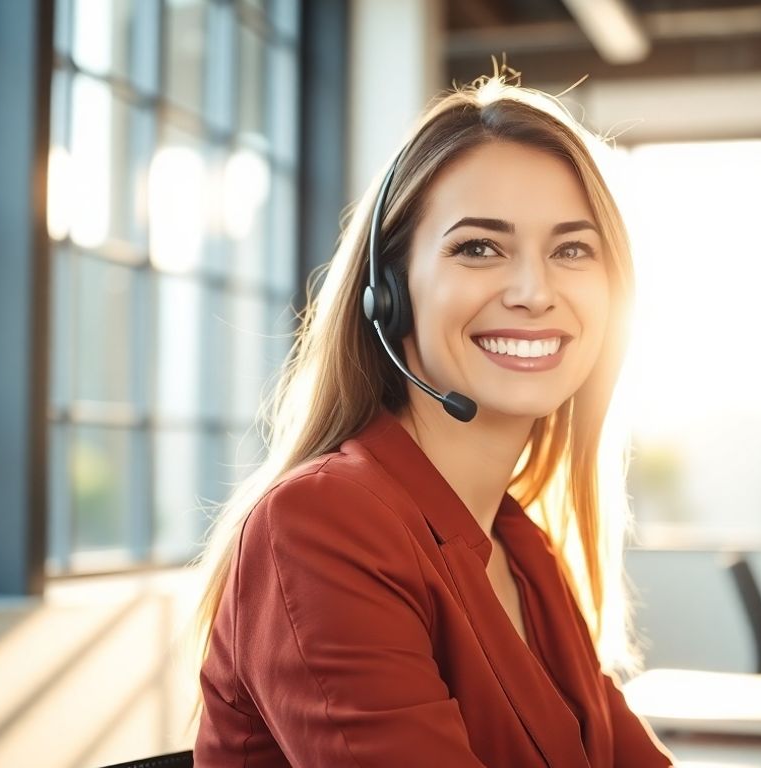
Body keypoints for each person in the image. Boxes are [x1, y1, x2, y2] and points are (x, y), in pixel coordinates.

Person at [192, 69, 675, 767]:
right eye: (479, 247)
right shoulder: (323, 526)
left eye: (572, 249)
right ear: (390, 294)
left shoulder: (524, 552)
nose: (535, 292)